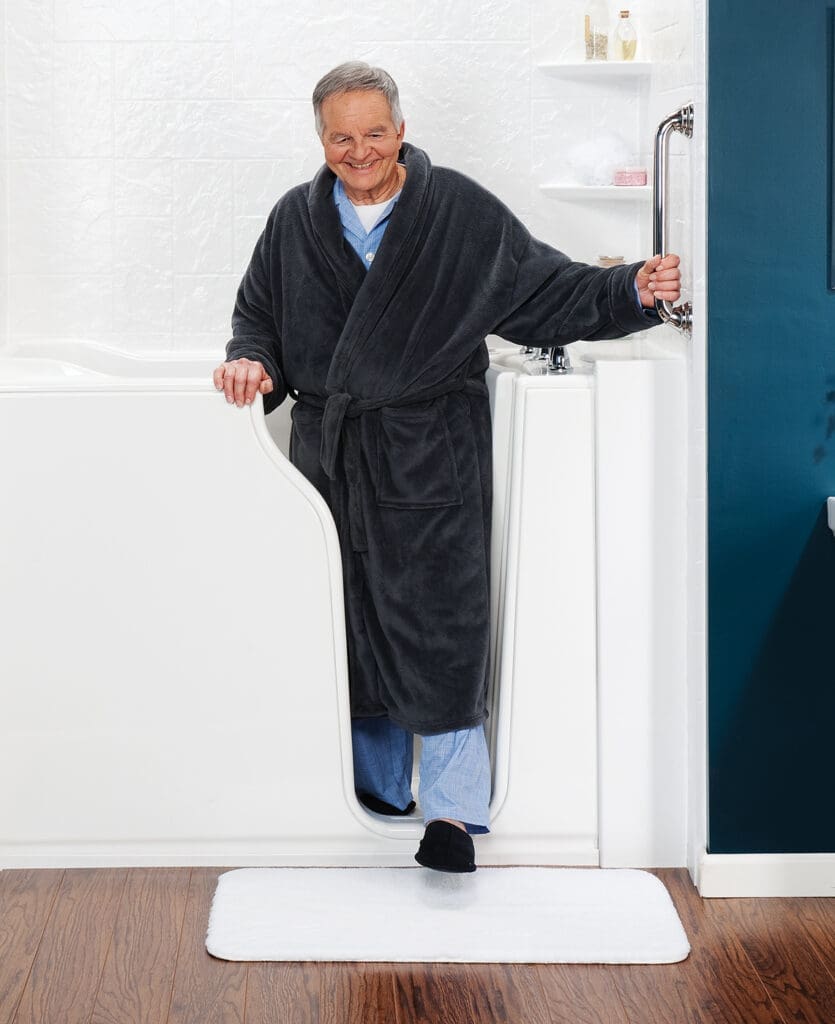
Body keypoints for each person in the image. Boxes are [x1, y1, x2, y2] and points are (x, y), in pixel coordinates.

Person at [214, 61, 681, 874]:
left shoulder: (455, 211)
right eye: (340, 137)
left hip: (432, 454)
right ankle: (373, 795)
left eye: (373, 133)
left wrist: (630, 290)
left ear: (399, 128)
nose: (358, 151)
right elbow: (258, 316)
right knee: (350, 623)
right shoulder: (295, 220)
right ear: (320, 139)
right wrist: (250, 361)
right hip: (336, 461)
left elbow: (544, 289)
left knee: (439, 623)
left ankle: (455, 815)